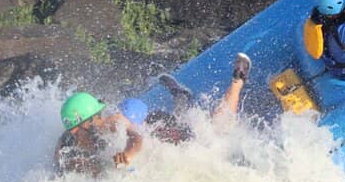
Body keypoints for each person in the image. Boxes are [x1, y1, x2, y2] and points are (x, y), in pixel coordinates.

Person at [55, 54, 252, 174]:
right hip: (142, 120)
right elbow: (60, 161)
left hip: (154, 125)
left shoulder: (111, 123)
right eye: (71, 131)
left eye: (75, 131)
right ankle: (179, 95)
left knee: (206, 134)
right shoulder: (67, 140)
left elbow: (138, 138)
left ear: (90, 122)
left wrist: (128, 155)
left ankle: (236, 83)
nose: (73, 135)